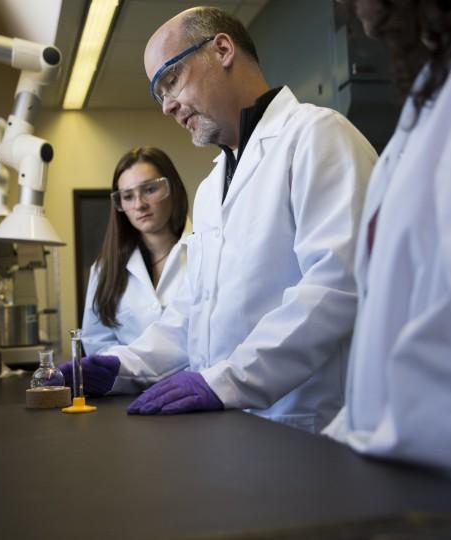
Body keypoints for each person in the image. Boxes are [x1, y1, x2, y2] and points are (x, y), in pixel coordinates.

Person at [70, 6, 377, 431]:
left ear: (222, 49)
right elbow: (193, 316)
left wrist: (226, 382)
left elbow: (336, 288)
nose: (167, 107)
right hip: (233, 425)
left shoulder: (317, 136)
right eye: (158, 93)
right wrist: (117, 366)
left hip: (307, 425)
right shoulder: (212, 187)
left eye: (171, 80)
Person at [323, 0, 451, 503]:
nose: (350, 6)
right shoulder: (432, 89)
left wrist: (386, 458)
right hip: (400, 465)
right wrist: (338, 444)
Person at [80, 147, 189, 356]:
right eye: (128, 196)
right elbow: (97, 343)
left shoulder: (204, 252)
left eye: (149, 190)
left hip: (192, 385)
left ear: (172, 188)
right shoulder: (105, 269)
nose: (139, 205)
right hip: (127, 387)